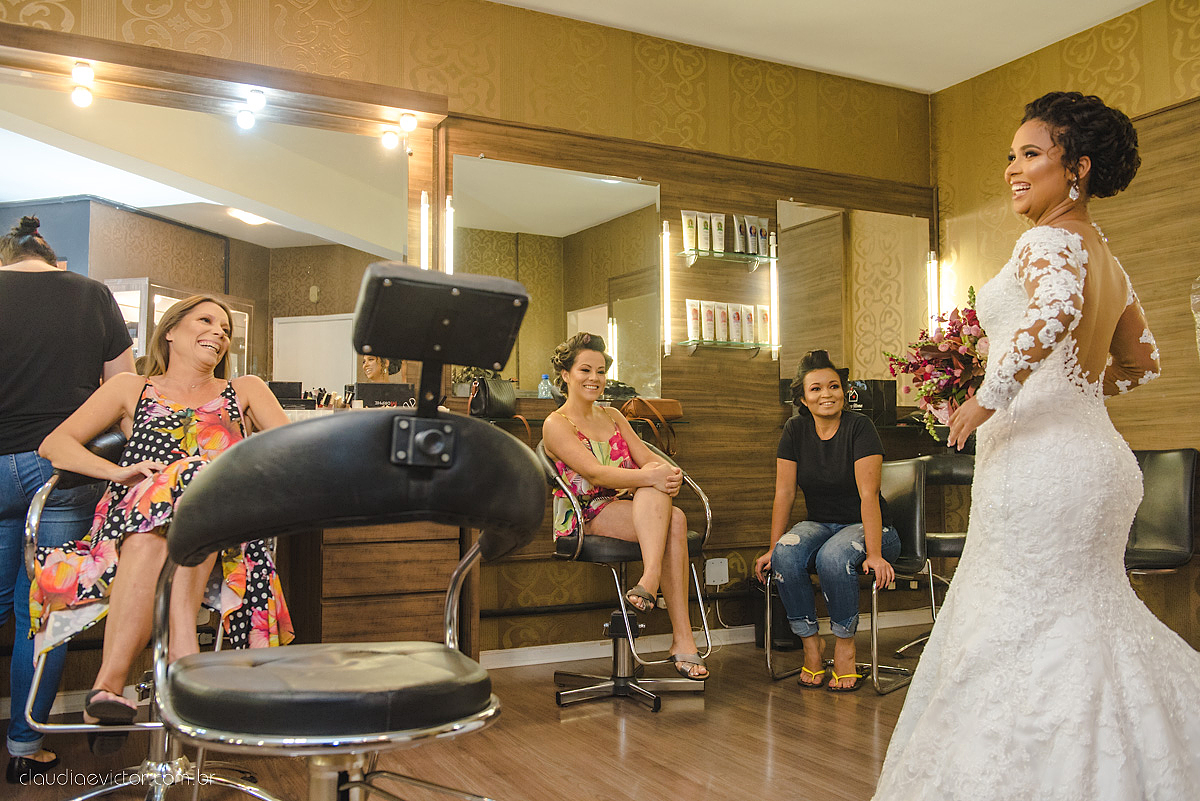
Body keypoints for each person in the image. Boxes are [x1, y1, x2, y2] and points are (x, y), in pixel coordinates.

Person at [873, 92, 1199, 799]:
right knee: (1081, 617)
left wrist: (991, 395)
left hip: (1044, 466)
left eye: (1030, 155)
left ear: (1075, 168)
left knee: (1021, 623)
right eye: (1010, 156)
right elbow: (1145, 361)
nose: (1012, 170)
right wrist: (1071, 390)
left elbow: (1052, 312)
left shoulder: (1047, 242)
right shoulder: (1104, 253)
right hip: (1097, 459)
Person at [36, 294, 294, 753]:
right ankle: (178, 658)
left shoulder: (246, 389)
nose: (219, 332)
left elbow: (296, 455)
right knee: (149, 533)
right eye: (206, 320)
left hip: (222, 531)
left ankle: (108, 688)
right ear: (171, 330)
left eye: (226, 330)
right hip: (132, 524)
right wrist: (118, 472)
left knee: (197, 477)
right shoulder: (132, 389)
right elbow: (56, 446)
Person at [0, 216, 134, 783]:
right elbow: (124, 389)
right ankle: (25, 747)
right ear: (51, 258)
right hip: (60, 468)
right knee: (47, 607)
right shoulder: (91, 294)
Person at [543, 333, 707, 680]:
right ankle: (680, 635)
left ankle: (652, 590)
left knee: (663, 497)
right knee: (673, 517)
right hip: (585, 512)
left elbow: (647, 459)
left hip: (626, 504)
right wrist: (653, 477)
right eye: (585, 369)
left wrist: (667, 474)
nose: (594, 378)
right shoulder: (556, 424)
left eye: (601, 371)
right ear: (565, 374)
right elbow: (595, 472)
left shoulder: (614, 415)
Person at [753, 350, 898, 692]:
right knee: (786, 554)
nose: (827, 394)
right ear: (803, 398)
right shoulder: (795, 429)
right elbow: (784, 494)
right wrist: (773, 547)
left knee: (832, 557)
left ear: (844, 392)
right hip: (820, 523)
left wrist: (875, 554)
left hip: (873, 529)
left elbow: (868, 496)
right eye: (816, 389)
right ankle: (811, 645)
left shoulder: (860, 427)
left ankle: (845, 647)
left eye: (833, 386)